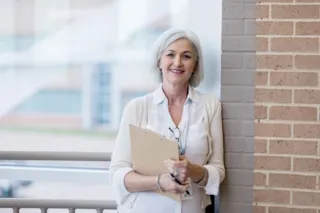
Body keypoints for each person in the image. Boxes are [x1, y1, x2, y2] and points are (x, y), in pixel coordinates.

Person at [109, 28, 225, 213]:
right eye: (170, 54)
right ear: (159, 61)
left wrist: (193, 170)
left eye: (186, 56)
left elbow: (218, 171)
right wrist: (159, 182)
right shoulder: (137, 107)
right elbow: (117, 174)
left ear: (195, 65)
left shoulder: (210, 106)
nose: (177, 62)